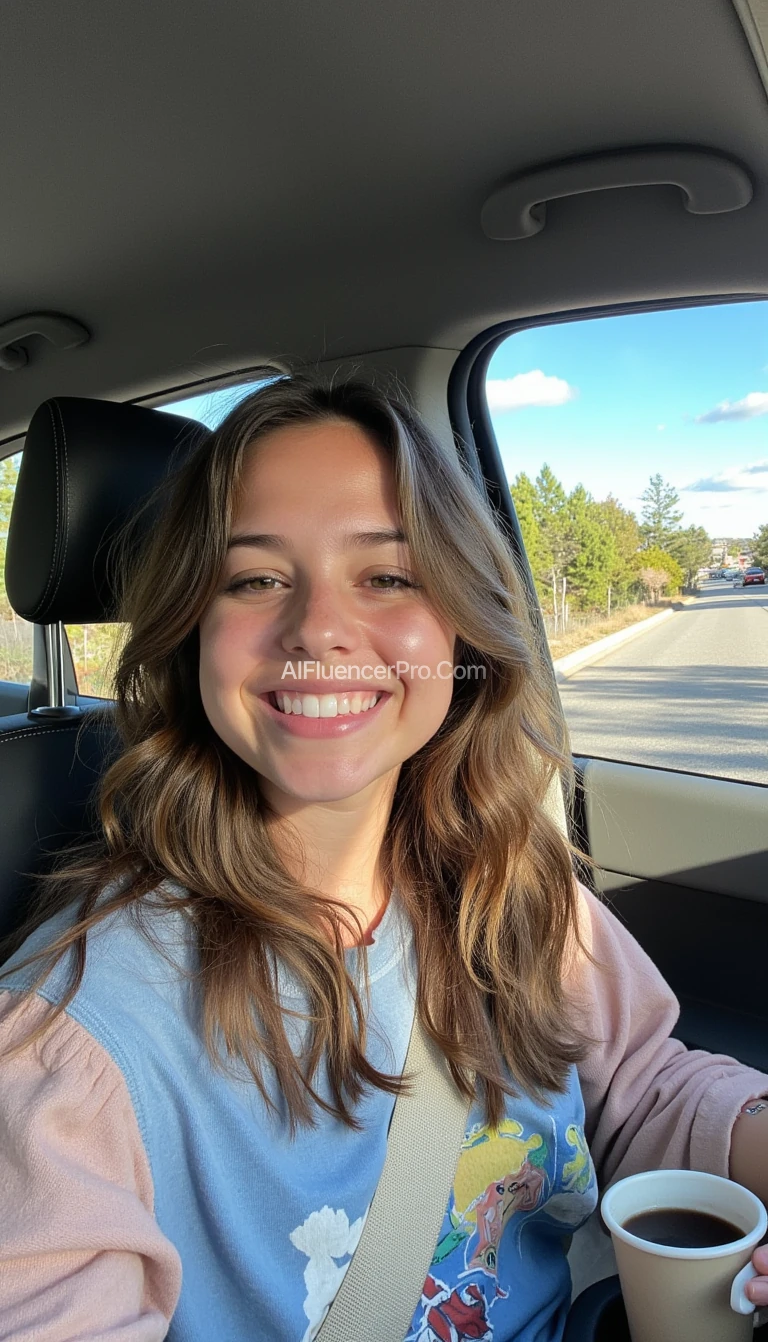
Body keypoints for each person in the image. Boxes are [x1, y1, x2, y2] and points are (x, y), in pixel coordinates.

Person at [0, 374, 766, 1342]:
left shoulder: (508, 883)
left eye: (388, 576)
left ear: (459, 627)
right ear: (193, 630)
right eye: (256, 579)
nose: (318, 626)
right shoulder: (66, 1047)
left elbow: (646, 1089)